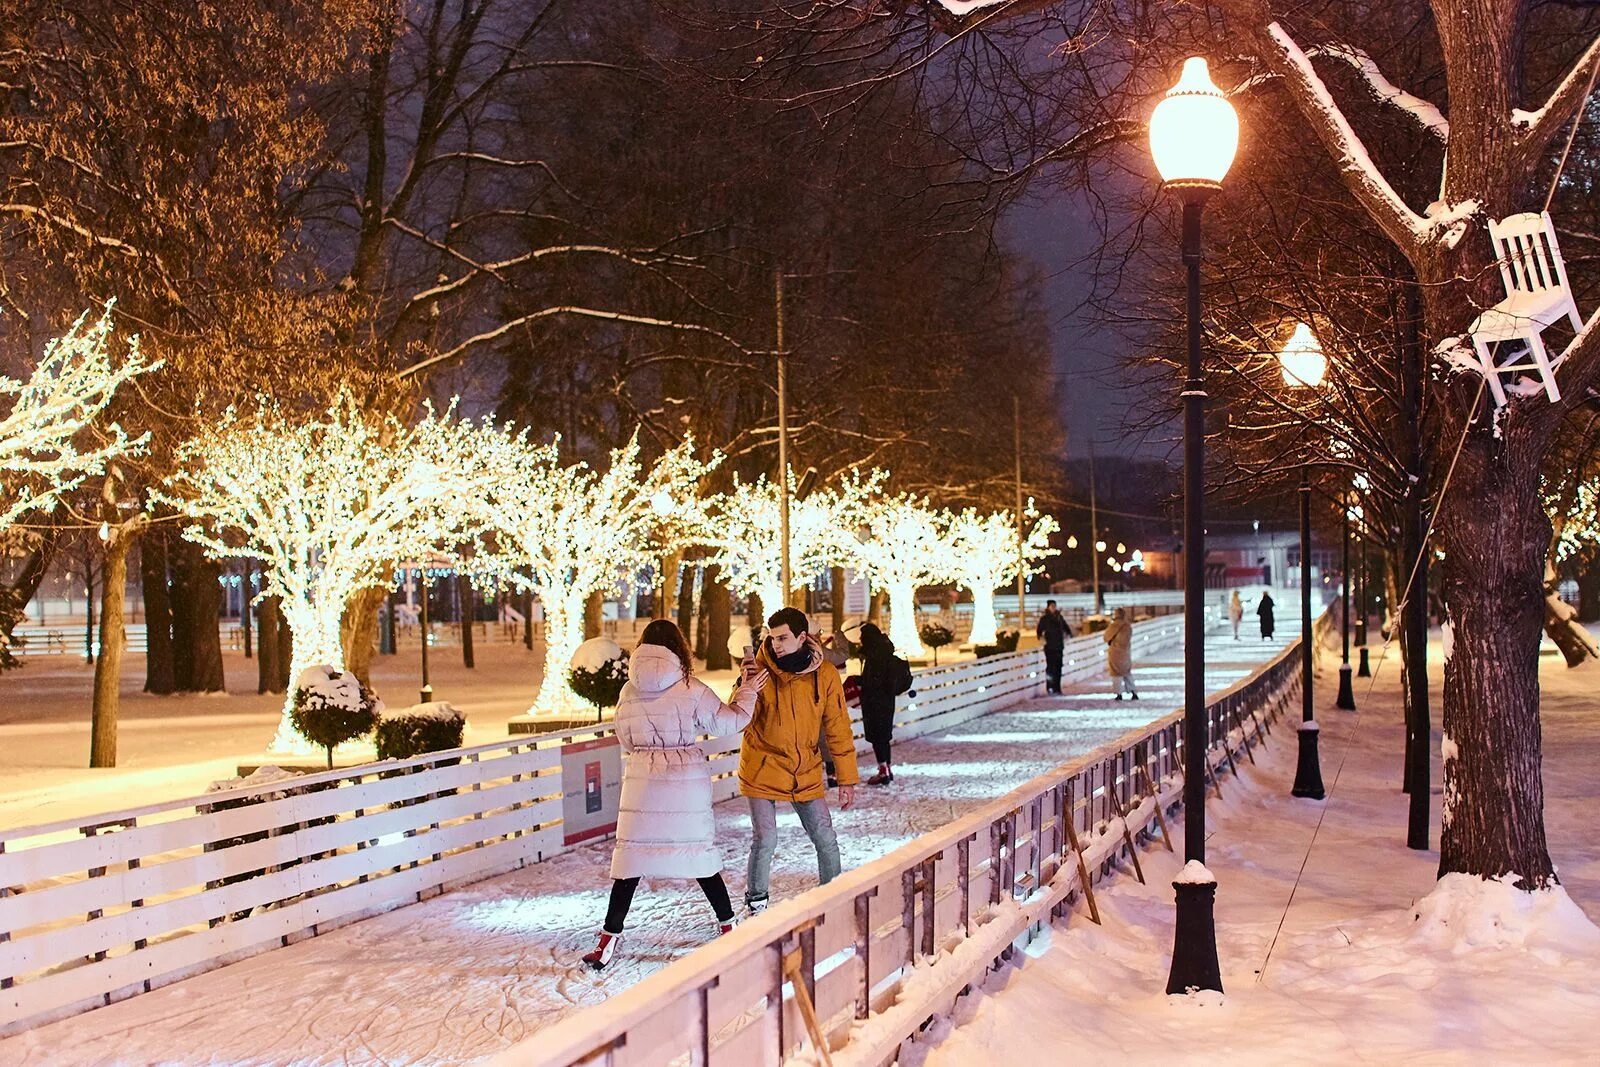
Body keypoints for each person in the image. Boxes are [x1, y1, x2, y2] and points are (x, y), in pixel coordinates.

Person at [582, 620, 767, 970]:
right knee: (698, 857)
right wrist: (748, 690)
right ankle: (729, 927)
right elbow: (729, 722)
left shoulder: (627, 692)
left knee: (630, 865)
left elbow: (624, 737)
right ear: (677, 648)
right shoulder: (689, 688)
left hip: (642, 785)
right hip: (684, 783)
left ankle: (607, 941)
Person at [739, 607, 859, 915]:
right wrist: (745, 689)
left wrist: (846, 778)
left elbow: (838, 727)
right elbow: (737, 719)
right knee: (765, 838)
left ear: (802, 637)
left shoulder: (825, 675)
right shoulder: (759, 671)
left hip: (803, 767)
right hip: (762, 766)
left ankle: (833, 896)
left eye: (783, 637)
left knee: (825, 835)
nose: (776, 644)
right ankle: (756, 902)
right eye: (772, 637)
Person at [856, 623, 899, 785]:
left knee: (877, 737)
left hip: (875, 702)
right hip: (887, 701)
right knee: (884, 736)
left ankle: (883, 771)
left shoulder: (874, 657)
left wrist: (860, 681)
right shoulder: (884, 652)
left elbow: (873, 681)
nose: (860, 640)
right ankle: (887, 767)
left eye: (862, 637)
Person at [1035, 599, 1073, 695]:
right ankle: (1050, 687)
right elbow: (1039, 631)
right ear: (1048, 607)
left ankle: (1057, 688)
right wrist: (1042, 639)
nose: (1053, 608)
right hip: (1050, 647)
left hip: (1059, 647)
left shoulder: (1059, 617)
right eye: (1051, 606)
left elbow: (1066, 628)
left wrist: (1068, 634)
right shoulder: (1044, 619)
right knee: (1051, 668)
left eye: (1054, 606)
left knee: (1058, 667)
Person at [1103, 606, 1138, 701]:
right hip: (1126, 652)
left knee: (1116, 674)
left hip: (1115, 653)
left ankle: (1118, 694)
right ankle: (1133, 692)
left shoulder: (1114, 625)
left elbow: (1106, 637)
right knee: (1127, 673)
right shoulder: (1127, 626)